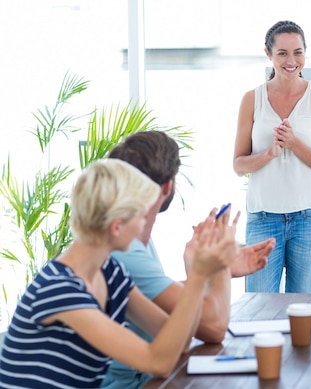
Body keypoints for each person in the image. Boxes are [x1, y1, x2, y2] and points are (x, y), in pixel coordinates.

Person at [0, 159, 236, 388]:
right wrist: (197, 277)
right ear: (116, 226)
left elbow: (180, 343)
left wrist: (199, 270)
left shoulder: (109, 273)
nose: (145, 225)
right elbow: (158, 362)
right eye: (142, 216)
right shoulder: (61, 289)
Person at [101, 130, 275, 388]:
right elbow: (214, 328)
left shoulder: (133, 245)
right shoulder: (125, 251)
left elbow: (172, 322)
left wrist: (210, 271)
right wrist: (217, 267)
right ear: (167, 186)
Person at [233, 20, 311, 293]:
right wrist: (268, 153)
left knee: (299, 307)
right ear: (268, 54)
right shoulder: (251, 99)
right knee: (258, 305)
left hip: (310, 218)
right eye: (282, 53)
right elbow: (238, 165)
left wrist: (294, 144)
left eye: (298, 52)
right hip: (264, 217)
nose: (292, 61)